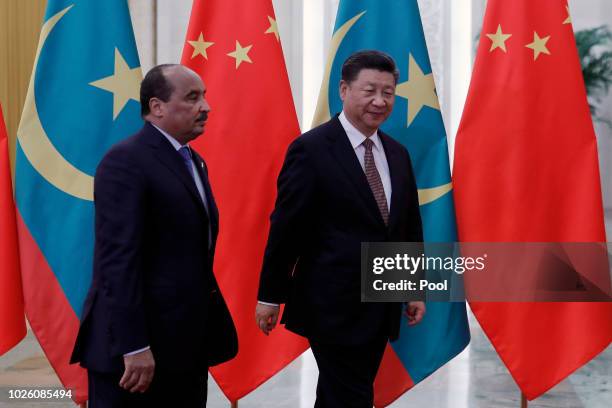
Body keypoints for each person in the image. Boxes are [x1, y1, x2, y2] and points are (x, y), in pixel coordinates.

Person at [255, 50, 426, 407]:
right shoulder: (311, 149)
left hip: (381, 298)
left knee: (344, 392)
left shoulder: (397, 153)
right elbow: (287, 227)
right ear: (344, 90)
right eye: (369, 91)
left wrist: (412, 288)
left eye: (388, 92)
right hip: (330, 302)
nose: (380, 101)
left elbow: (408, 225)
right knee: (349, 392)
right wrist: (271, 294)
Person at [71, 64, 237, 407]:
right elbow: (117, 261)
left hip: (185, 346)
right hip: (137, 354)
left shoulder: (193, 161)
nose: (205, 106)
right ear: (157, 106)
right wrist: (134, 345)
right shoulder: (126, 161)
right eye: (192, 97)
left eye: (204, 96)